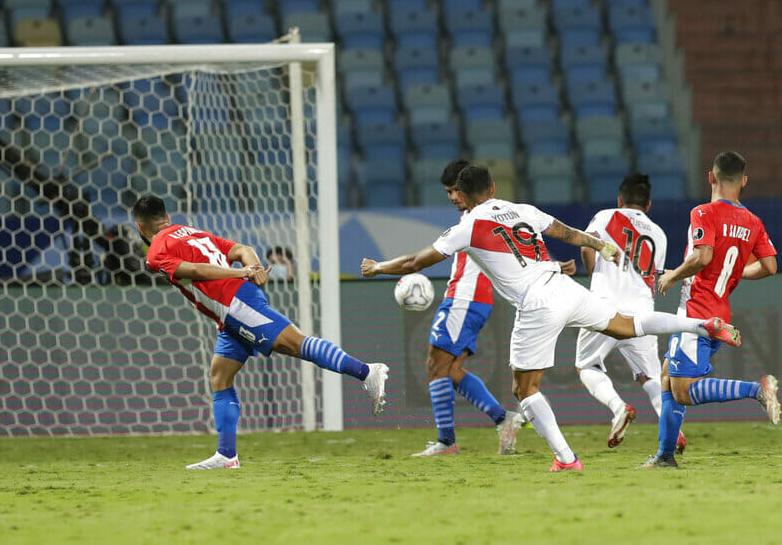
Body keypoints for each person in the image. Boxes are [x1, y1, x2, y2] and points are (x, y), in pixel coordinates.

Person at [362, 165, 741, 472]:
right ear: (493, 187)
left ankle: (566, 459)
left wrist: (378, 267)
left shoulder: (467, 226)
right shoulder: (523, 209)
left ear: (462, 196)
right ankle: (701, 325)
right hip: (566, 287)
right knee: (630, 324)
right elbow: (567, 233)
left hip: (536, 302)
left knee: (524, 390)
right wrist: (599, 245)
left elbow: (415, 262)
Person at [132, 194, 388, 470]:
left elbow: (195, 270)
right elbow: (243, 249)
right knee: (220, 375)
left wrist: (240, 274)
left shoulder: (156, 251)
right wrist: (252, 268)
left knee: (295, 344)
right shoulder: (192, 232)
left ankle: (367, 372)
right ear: (167, 218)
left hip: (235, 304)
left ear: (139, 228)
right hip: (231, 310)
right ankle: (226, 456)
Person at [643, 151, 779, 468]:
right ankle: (664, 456)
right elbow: (770, 266)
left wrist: (673, 275)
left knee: (681, 391)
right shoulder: (754, 222)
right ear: (743, 182)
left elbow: (703, 258)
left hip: (696, 312)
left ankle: (756, 390)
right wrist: (737, 273)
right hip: (720, 312)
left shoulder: (704, 212)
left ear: (711, 177)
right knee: (667, 378)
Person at [411, 159, 526, 458]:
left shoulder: (476, 218)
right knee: (449, 369)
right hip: (475, 298)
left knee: (436, 366)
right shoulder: (485, 215)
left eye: (455, 190)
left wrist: (382, 267)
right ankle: (503, 419)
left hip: (465, 297)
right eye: (448, 192)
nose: (452, 197)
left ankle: (447, 442)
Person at [575, 173, 684, 450]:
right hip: (641, 311)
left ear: (620, 200)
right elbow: (651, 276)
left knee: (587, 365)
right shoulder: (658, 234)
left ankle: (618, 407)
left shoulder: (606, 215)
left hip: (605, 306)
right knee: (650, 377)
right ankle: (673, 430)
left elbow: (587, 243)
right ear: (648, 205)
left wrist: (594, 272)